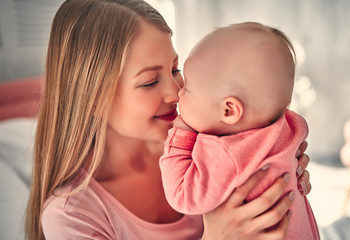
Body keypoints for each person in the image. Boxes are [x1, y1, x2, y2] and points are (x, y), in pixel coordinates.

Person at [24, 1, 312, 239]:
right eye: (150, 82)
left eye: (175, 69)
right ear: (93, 97)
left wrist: (284, 170)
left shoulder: (206, 138)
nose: (176, 92)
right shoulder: (73, 217)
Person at [160, 22, 319, 239]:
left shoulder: (227, 152)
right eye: (149, 81)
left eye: (187, 88)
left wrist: (180, 136)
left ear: (229, 110)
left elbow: (181, 195)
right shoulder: (288, 127)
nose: (178, 93)